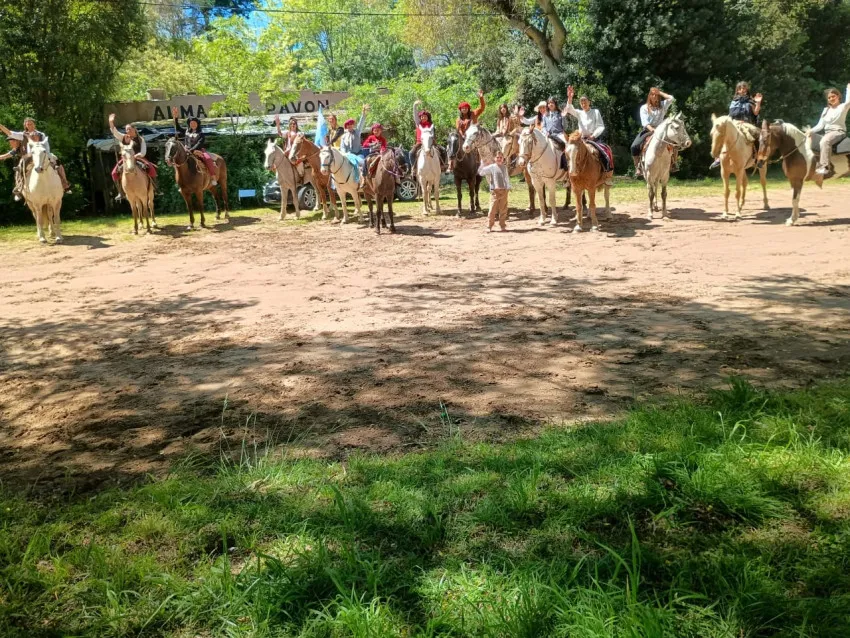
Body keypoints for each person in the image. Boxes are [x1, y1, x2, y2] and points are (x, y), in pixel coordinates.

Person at [0, 117, 71, 193]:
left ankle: (65, 183)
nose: (30, 125)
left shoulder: (41, 134)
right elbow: (10, 133)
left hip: (41, 154)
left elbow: (46, 147)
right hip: (29, 156)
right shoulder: (22, 135)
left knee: (57, 161)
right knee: (19, 167)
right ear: (25, 125)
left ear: (34, 125)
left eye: (31, 124)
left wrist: (49, 155)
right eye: (28, 124)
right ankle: (19, 186)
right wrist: (1, 126)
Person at [710, 81, 763, 169]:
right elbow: (730, 115)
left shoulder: (751, 101)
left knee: (759, 135)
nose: (742, 90)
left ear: (747, 90)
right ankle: (718, 158)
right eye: (740, 88)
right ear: (737, 91)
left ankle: (758, 159)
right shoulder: (733, 102)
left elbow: (756, 112)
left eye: (744, 88)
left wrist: (758, 102)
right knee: (720, 134)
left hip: (746, 124)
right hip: (734, 124)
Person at [563, 85, 612, 173]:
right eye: (581, 103)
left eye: (585, 102)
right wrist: (570, 97)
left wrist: (593, 135)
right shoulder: (579, 112)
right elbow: (569, 109)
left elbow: (601, 126)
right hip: (581, 140)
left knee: (604, 151)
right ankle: (567, 173)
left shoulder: (595, 112)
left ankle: (606, 173)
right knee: (569, 151)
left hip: (594, 139)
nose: (583, 104)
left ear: (589, 102)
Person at [109, 113, 158, 201]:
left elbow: (143, 151)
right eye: (126, 130)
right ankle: (121, 192)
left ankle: (155, 188)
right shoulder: (124, 137)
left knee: (151, 168)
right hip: (126, 159)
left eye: (129, 129)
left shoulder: (140, 139)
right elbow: (115, 132)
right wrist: (111, 122)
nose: (128, 131)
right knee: (114, 173)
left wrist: (137, 156)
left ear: (134, 129)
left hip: (138, 158)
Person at [808, 83, 850, 180]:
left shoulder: (843, 107)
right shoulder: (826, 110)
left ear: (838, 96)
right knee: (808, 140)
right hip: (827, 133)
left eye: (833, 96)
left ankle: (824, 167)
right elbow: (820, 125)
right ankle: (812, 166)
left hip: (838, 132)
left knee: (825, 141)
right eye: (829, 97)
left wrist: (848, 89)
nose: (831, 99)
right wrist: (810, 131)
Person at [631, 88, 675, 178]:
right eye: (652, 94)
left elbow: (671, 98)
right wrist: (653, 130)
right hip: (648, 130)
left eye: (656, 95)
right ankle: (638, 167)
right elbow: (645, 123)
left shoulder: (663, 105)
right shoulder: (644, 108)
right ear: (649, 96)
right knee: (634, 146)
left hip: (661, 130)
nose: (654, 96)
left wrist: (660, 92)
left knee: (673, 143)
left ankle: (673, 163)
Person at [171, 107, 217, 186]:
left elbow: (199, 144)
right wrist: (175, 117)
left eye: (194, 123)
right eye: (191, 123)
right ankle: (180, 181)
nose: (193, 124)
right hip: (186, 150)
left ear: (197, 124)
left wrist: (191, 150)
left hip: (197, 151)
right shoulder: (186, 131)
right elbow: (177, 127)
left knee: (208, 159)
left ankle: (213, 177)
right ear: (189, 124)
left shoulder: (201, 134)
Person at [410, 100, 447, 178]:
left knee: (443, 150)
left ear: (428, 117)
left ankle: (443, 166)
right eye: (422, 116)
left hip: (431, 143)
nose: (423, 117)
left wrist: (432, 141)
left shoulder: (431, 125)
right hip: (420, 143)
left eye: (425, 116)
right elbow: (415, 115)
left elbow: (433, 134)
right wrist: (415, 106)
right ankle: (414, 168)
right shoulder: (418, 124)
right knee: (411, 153)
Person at [478, 151, 511, 232]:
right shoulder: (492, 167)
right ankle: (489, 226)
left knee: (503, 210)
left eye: (501, 157)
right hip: (495, 192)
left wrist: (508, 187)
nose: (499, 159)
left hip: (504, 191)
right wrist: (482, 163)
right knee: (492, 210)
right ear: (494, 158)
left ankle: (502, 225)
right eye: (497, 157)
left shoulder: (504, 167)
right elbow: (481, 173)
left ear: (503, 159)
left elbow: (506, 178)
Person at [340, 104, 370, 184]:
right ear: (346, 127)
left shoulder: (357, 132)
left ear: (353, 125)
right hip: (349, 155)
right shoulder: (343, 137)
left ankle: (365, 179)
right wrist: (345, 154)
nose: (350, 126)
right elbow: (342, 148)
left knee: (363, 163)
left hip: (358, 154)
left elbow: (361, 123)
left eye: (351, 124)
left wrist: (363, 114)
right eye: (348, 125)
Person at [275, 115, 305, 180]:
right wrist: (278, 124)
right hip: (287, 153)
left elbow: (302, 143)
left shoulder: (300, 133)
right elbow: (280, 133)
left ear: (296, 125)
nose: (292, 125)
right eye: (291, 124)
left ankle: (301, 177)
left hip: (296, 153)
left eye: (294, 123)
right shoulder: (287, 132)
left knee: (300, 164)